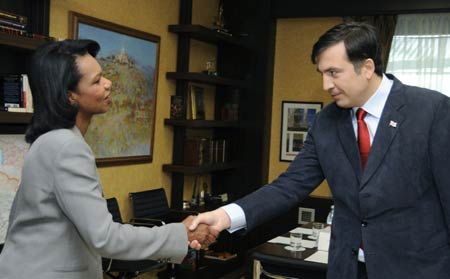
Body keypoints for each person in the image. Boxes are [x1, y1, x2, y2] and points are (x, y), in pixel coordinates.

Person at [190, 21, 450, 279]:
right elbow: (290, 185)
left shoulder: (432, 111)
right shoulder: (327, 121)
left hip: (416, 269)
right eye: (321, 73)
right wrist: (224, 216)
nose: (326, 85)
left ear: (367, 67)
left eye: (334, 72)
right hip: (347, 268)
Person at [0, 39, 217, 279]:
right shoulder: (66, 147)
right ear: (70, 95)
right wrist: (181, 234)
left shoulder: (50, 140)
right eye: (96, 81)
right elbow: (105, 237)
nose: (108, 84)